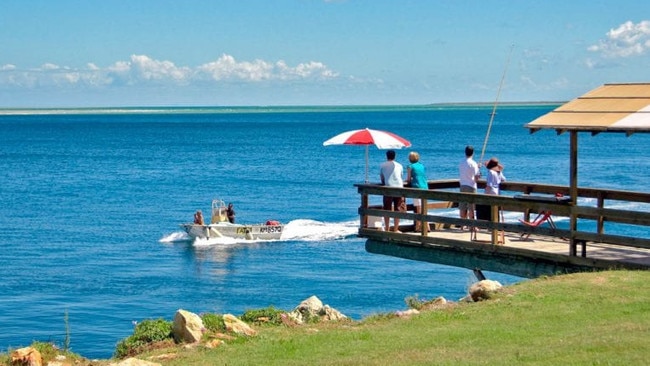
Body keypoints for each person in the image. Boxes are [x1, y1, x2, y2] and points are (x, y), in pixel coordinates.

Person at [380, 150, 406, 232]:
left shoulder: (383, 165)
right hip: (399, 188)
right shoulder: (399, 165)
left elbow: (382, 178)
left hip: (388, 188)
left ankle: (387, 228)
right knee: (397, 209)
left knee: (387, 209)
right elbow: (401, 176)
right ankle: (395, 229)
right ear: (395, 156)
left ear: (386, 156)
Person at [458, 145, 480, 225]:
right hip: (471, 186)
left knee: (462, 206)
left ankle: (462, 225)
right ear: (473, 153)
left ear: (465, 152)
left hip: (462, 185)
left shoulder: (461, 162)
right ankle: (472, 226)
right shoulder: (473, 163)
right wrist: (478, 170)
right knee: (471, 207)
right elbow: (476, 178)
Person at [406, 151, 428, 232]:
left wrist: (408, 181)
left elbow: (408, 180)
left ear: (410, 158)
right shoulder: (421, 165)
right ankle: (426, 226)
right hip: (425, 187)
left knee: (418, 208)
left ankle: (418, 227)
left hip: (416, 187)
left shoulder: (410, 166)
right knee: (424, 207)